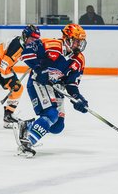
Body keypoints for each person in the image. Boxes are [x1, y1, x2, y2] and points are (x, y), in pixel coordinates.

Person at [15, 23, 89, 157]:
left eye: (81, 41)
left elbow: (71, 82)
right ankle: (28, 142)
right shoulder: (53, 45)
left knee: (57, 126)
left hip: (56, 86)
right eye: (77, 41)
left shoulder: (79, 60)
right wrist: (39, 69)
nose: (79, 44)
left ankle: (28, 126)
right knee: (51, 114)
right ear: (67, 38)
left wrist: (78, 98)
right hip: (38, 82)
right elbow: (26, 53)